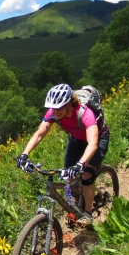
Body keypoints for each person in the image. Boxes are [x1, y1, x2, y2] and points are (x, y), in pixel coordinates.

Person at [15, 84, 109, 223]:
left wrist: (80, 164)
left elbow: (93, 143)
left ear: (69, 104)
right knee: (69, 177)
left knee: (87, 173)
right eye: (53, 107)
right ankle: (77, 208)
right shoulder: (53, 113)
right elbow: (39, 134)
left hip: (98, 138)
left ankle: (88, 214)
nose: (56, 111)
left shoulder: (85, 113)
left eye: (59, 107)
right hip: (76, 139)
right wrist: (24, 154)